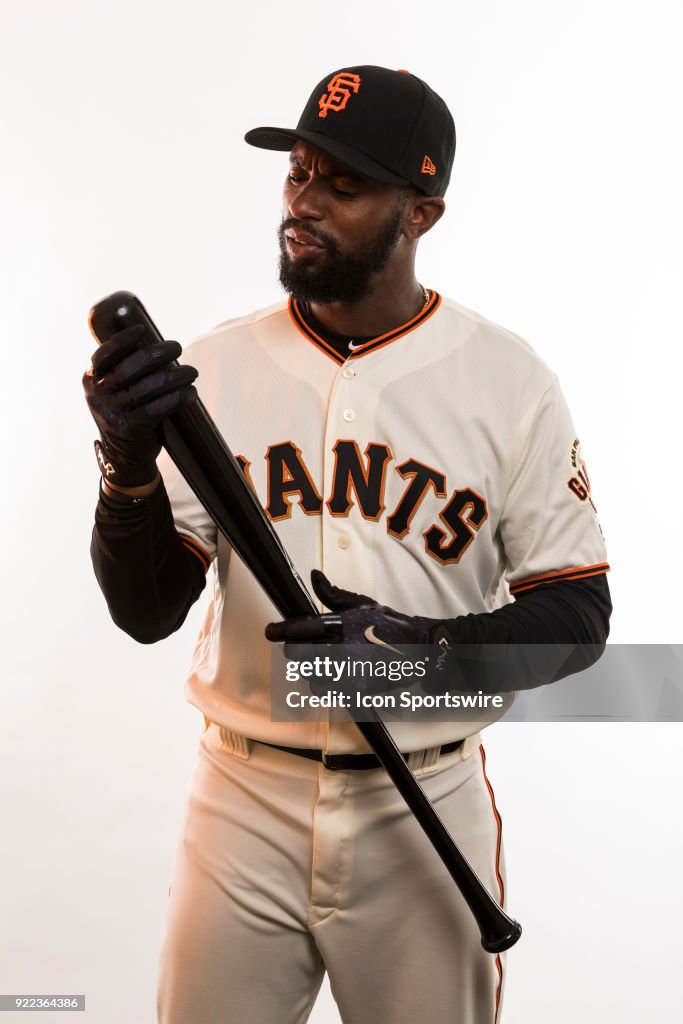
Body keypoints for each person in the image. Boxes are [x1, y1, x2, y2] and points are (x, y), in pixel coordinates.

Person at [83, 65, 611, 1024]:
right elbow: (146, 611)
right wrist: (123, 471)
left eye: (344, 185)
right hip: (242, 795)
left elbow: (578, 616)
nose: (304, 204)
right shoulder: (220, 364)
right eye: (298, 174)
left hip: (424, 797)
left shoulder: (509, 381)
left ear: (421, 214)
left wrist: (430, 651)